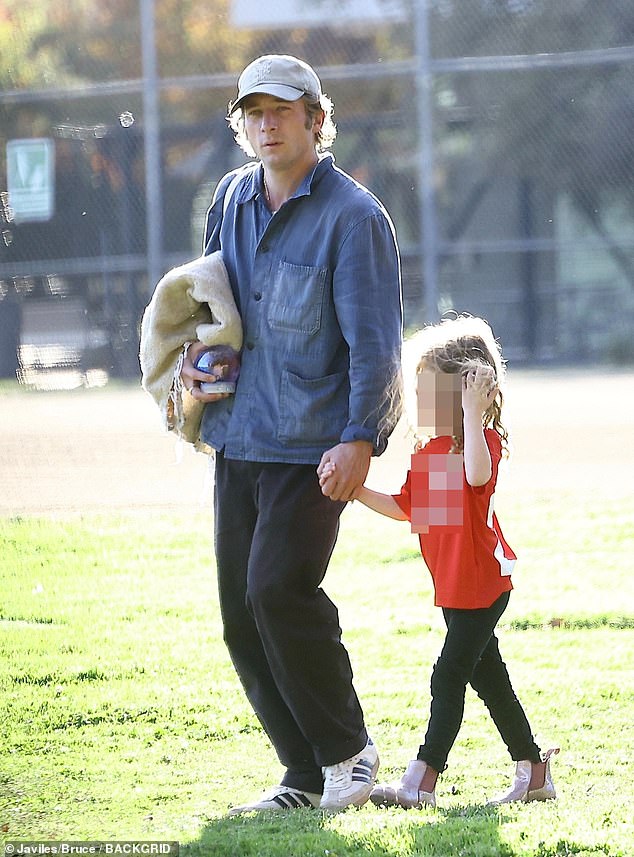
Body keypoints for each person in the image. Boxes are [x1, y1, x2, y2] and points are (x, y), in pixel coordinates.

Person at [179, 54, 403, 813]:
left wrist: (361, 438)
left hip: (314, 447)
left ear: (316, 117)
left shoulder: (355, 216)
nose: (266, 123)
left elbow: (376, 346)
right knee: (240, 614)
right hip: (238, 435)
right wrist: (194, 365)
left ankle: (351, 753)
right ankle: (304, 775)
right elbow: (214, 304)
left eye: (282, 109)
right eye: (253, 112)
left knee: (279, 588)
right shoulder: (232, 197)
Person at [319, 315, 558, 808]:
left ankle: (420, 781)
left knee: (447, 676)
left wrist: (474, 414)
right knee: (489, 679)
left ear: (468, 394)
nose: (421, 403)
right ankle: (534, 772)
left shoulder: (477, 445)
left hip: (483, 587)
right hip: (453, 590)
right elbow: (406, 508)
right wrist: (355, 489)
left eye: (431, 393)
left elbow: (475, 478)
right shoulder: (430, 454)